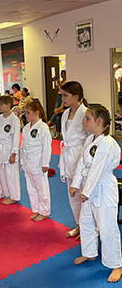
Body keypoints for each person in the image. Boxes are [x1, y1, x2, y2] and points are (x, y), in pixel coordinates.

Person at [69, 105, 122, 283]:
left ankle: (116, 264)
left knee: (107, 227)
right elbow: (82, 165)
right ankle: (90, 253)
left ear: (99, 122)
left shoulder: (107, 144)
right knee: (85, 222)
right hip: (89, 188)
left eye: (87, 119)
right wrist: (76, 184)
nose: (84, 122)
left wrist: (86, 191)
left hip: (103, 189)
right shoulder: (90, 139)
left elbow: (97, 171)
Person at [59, 81, 89, 240]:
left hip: (81, 159)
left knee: (84, 196)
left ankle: (89, 228)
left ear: (76, 96)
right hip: (68, 157)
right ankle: (79, 225)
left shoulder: (86, 113)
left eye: (65, 95)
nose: (62, 98)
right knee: (73, 196)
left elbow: (90, 140)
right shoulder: (65, 113)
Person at [21, 101, 52, 221]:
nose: (26, 115)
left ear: (36, 113)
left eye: (28, 113)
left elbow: (47, 147)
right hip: (28, 162)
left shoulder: (42, 127)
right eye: (25, 113)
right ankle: (37, 209)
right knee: (31, 188)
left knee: (41, 188)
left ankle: (44, 211)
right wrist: (22, 162)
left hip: (38, 162)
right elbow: (23, 147)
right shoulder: (26, 128)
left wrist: (45, 163)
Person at [0, 95, 21, 204]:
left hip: (9, 148)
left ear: (8, 105)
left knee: (11, 174)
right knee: (2, 173)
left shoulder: (14, 119)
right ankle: (6, 193)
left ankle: (14, 196)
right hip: (0, 148)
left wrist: (14, 153)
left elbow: (16, 137)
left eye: (1, 104)